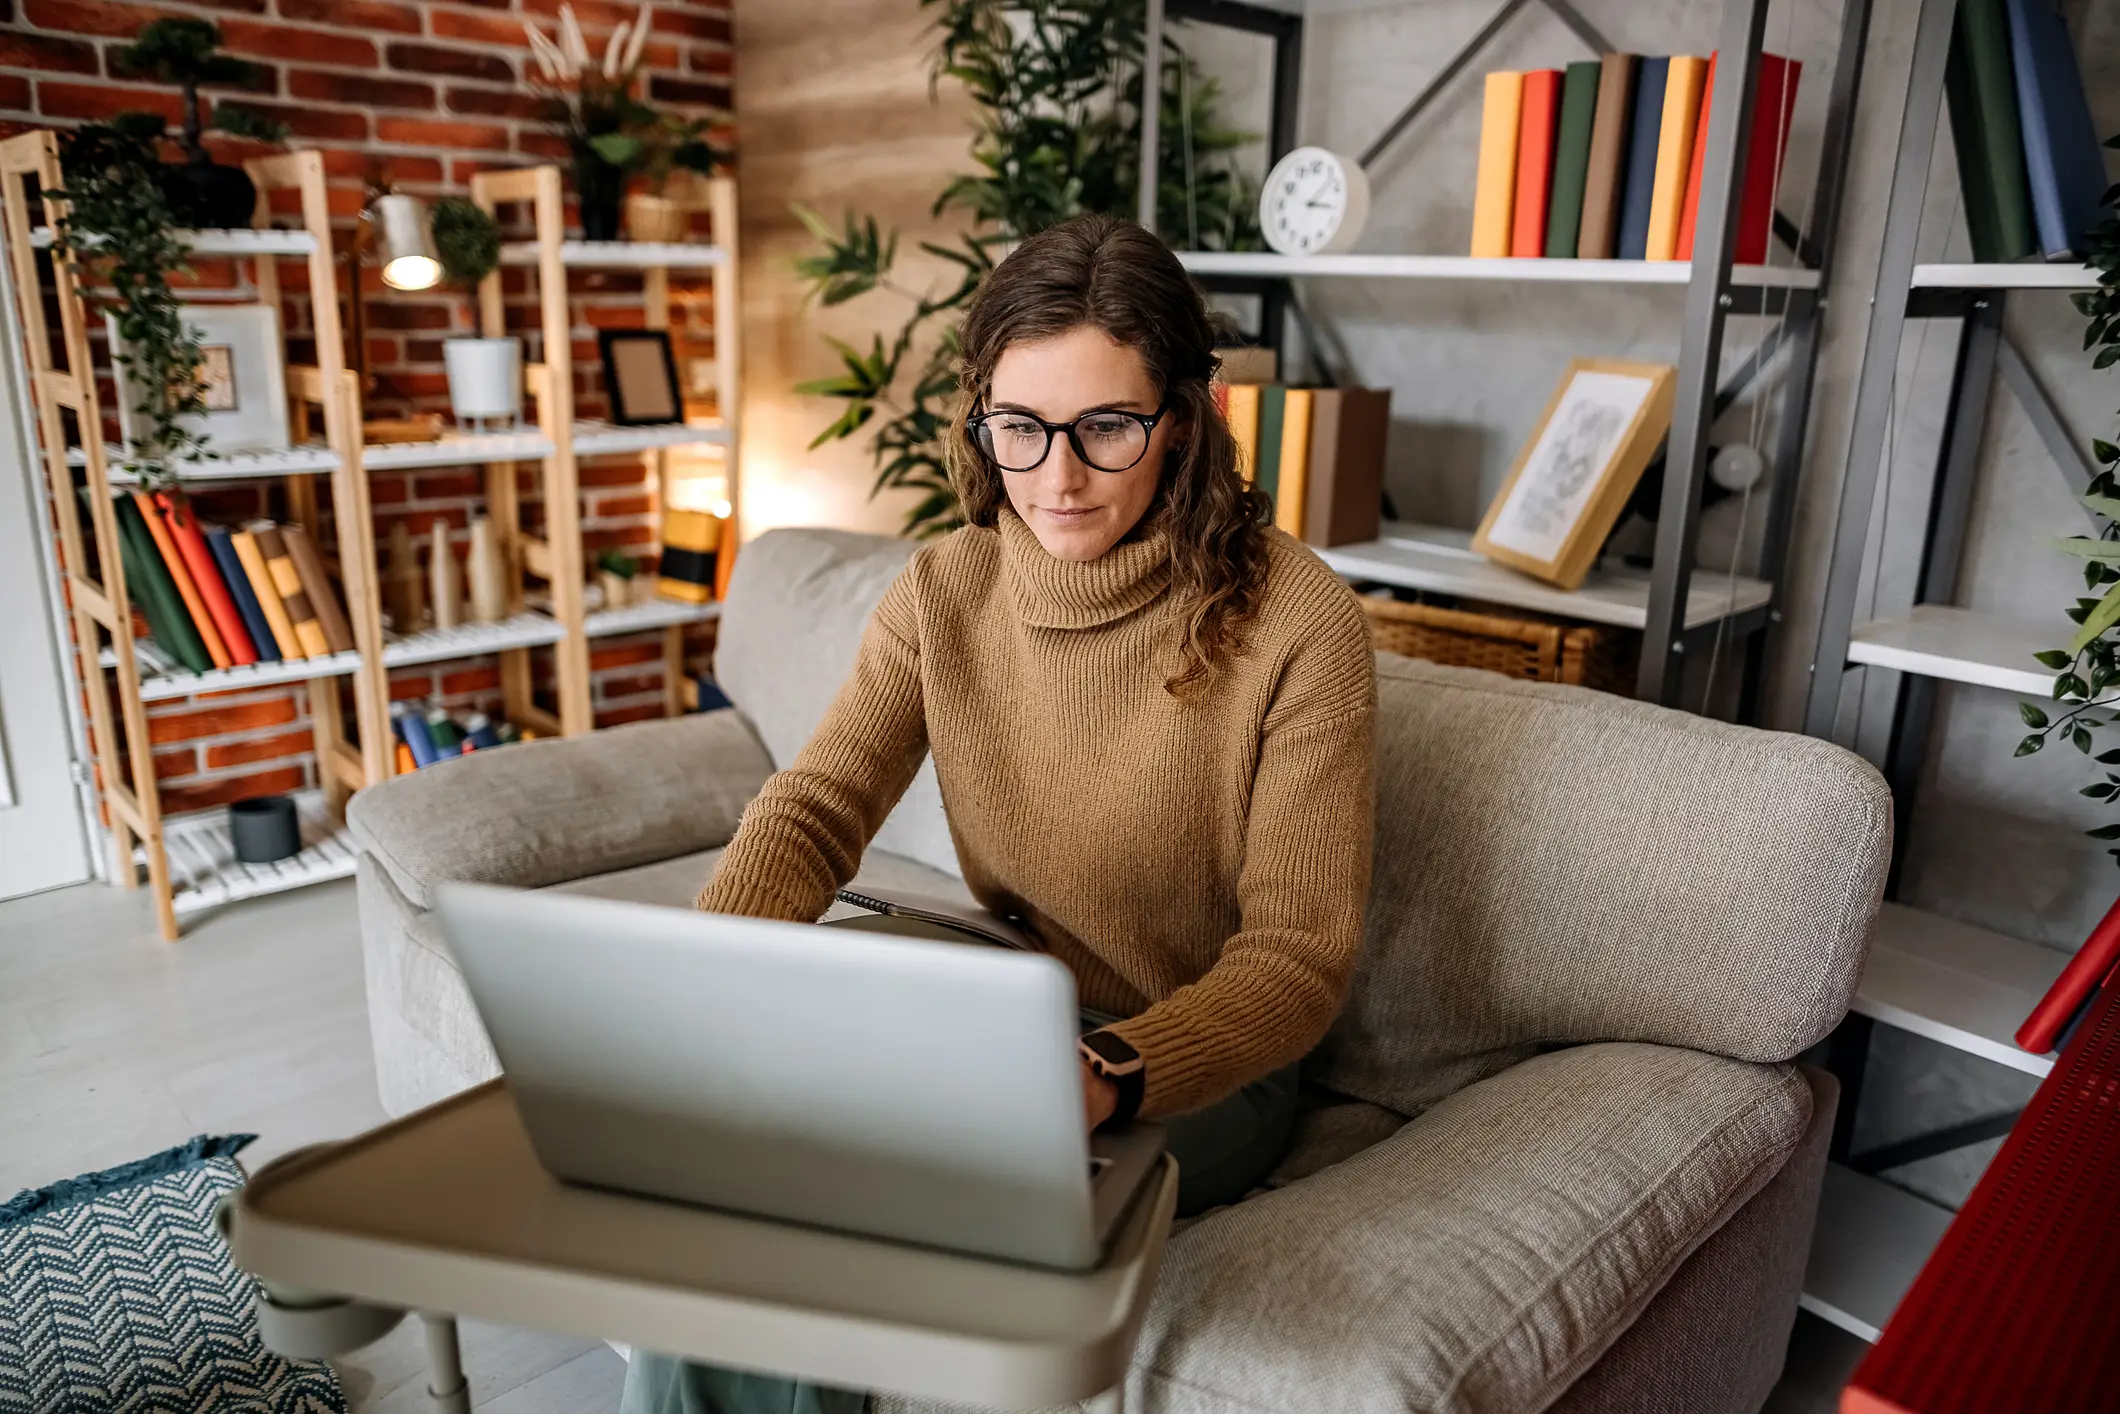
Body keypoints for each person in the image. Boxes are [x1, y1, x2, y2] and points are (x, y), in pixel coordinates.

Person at [622, 212, 1377, 1414]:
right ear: (981, 419)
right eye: (1019, 430)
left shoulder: (1301, 626)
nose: (1056, 478)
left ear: (1181, 421)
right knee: (741, 1173)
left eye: (1106, 429)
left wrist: (1107, 1074)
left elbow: (1294, 960)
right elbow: (817, 805)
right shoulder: (943, 588)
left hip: (1191, 1061)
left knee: (862, 1210)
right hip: (996, 998)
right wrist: (709, 968)